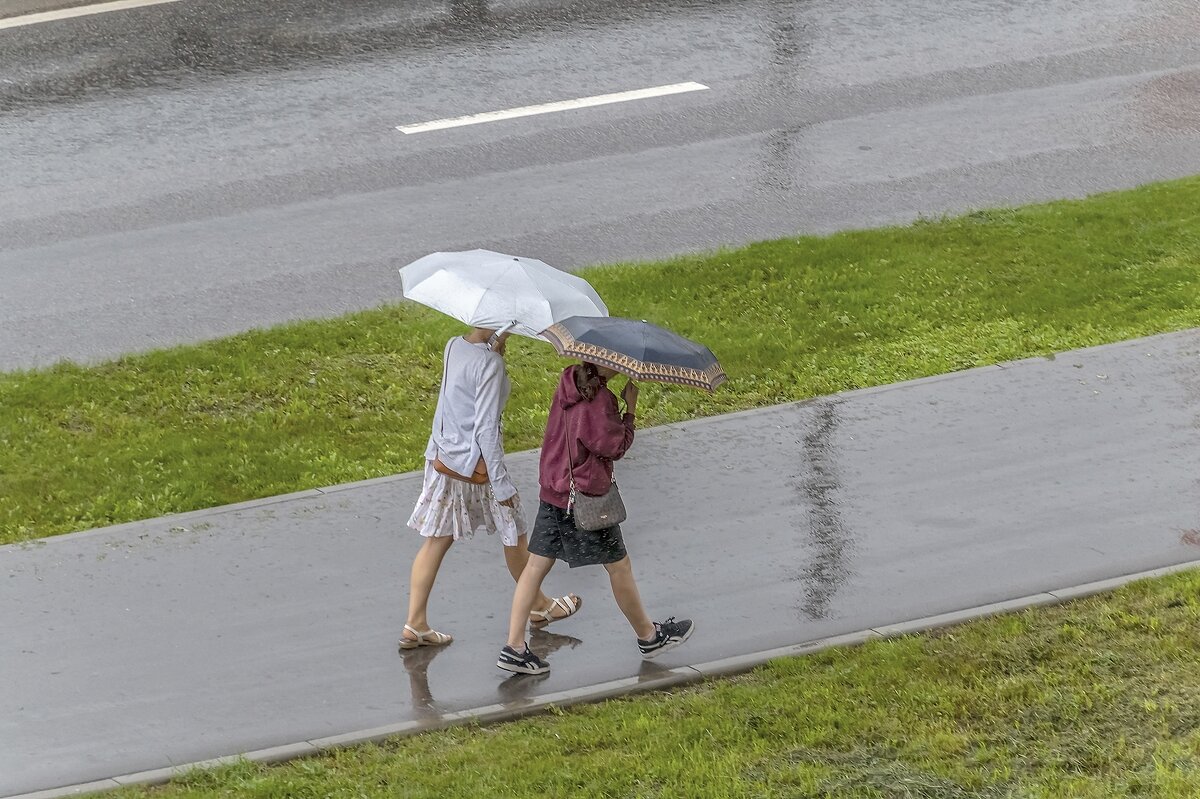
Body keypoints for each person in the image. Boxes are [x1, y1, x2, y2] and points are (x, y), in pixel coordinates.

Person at [496, 361, 694, 674]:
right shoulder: (599, 401)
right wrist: (629, 411)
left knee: (534, 567)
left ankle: (514, 647)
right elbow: (614, 446)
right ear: (609, 365)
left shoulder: (569, 382)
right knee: (619, 566)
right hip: (585, 497)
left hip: (554, 488)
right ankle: (649, 637)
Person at [400, 326, 582, 650]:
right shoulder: (489, 365)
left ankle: (415, 624)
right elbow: (485, 428)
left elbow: (460, 400)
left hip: (445, 459)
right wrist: (502, 485)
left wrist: (494, 353)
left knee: (436, 540)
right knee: (515, 531)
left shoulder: (453, 345)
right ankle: (539, 606)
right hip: (478, 466)